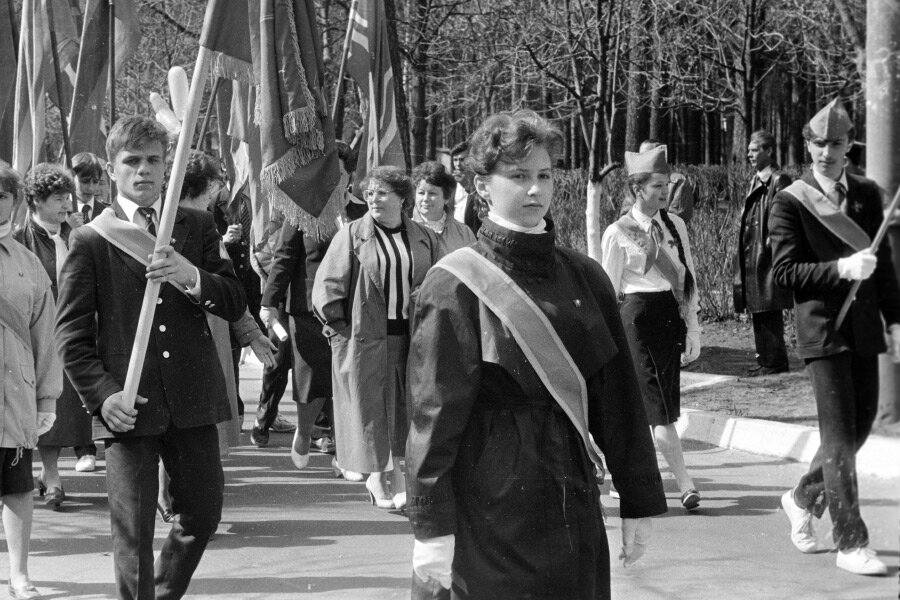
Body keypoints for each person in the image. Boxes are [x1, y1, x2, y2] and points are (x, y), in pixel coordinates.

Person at [406, 110, 666, 599]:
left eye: (544, 175)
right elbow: (432, 415)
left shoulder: (584, 276)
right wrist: (432, 530)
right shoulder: (453, 284)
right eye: (519, 176)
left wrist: (637, 500)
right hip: (488, 505)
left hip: (572, 501)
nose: (535, 190)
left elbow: (619, 400)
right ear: (483, 185)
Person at [55, 116, 246, 599]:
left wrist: (190, 274)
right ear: (112, 168)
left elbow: (233, 299)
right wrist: (101, 398)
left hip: (192, 399)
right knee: (133, 534)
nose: (144, 171)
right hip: (128, 402)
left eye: (154, 161)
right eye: (132, 161)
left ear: (168, 168)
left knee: (201, 516)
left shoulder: (197, 224)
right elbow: (71, 335)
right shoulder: (91, 238)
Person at [769, 99, 900, 576]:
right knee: (839, 439)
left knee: (858, 431)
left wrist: (896, 320)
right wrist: (840, 268)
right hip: (822, 330)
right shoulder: (790, 200)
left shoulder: (866, 194)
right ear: (807, 145)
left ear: (849, 146)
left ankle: (802, 496)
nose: (826, 152)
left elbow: (883, 264)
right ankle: (851, 542)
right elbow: (783, 273)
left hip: (864, 329)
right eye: (818, 143)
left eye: (836, 143)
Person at [153, 152, 275, 523]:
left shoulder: (205, 224)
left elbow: (228, 289)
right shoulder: (155, 221)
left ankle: (189, 499)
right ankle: (170, 498)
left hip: (213, 330)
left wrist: (250, 333)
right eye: (216, 185)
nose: (220, 191)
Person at [313, 166, 441, 511]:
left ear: (403, 198)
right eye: (369, 193)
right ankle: (375, 477)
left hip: (411, 339)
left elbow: (439, 282)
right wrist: (341, 329)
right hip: (366, 339)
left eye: (382, 193)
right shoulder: (353, 234)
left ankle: (399, 477)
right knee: (371, 411)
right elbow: (326, 289)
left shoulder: (423, 237)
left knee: (406, 410)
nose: (373, 199)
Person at [600, 144, 703, 511]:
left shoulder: (675, 225)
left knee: (660, 408)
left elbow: (687, 279)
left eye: (666, 184)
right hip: (635, 320)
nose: (664, 192)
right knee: (657, 407)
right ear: (636, 188)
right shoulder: (617, 232)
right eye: (656, 185)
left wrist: (693, 329)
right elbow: (609, 292)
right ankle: (686, 483)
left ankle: (625, 473)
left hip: (667, 318)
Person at [14, 164, 95, 511]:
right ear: (37, 201)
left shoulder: (77, 233)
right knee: (38, 406)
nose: (66, 203)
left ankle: (53, 474)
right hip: (33, 334)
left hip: (73, 332)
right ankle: (43, 475)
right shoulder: (21, 239)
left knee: (67, 408)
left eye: (67, 196)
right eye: (57, 197)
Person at [0, 162, 61, 600]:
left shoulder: (27, 263)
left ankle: (18, 575)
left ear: (14, 201)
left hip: (14, 394)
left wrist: (48, 399)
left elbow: (46, 334)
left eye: (1, 195)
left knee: (17, 488)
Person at [734, 130, 793, 376]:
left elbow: (782, 216)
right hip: (752, 252)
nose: (749, 154)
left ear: (769, 151)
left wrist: (771, 244)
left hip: (766, 253)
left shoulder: (778, 180)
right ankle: (765, 360)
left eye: (755, 150)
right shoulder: (756, 179)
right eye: (748, 150)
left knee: (768, 308)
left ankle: (775, 362)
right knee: (758, 307)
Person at [619, 139, 694, 223]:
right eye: (641, 155)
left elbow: (679, 217)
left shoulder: (678, 181)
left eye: (647, 155)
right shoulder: (636, 183)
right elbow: (625, 214)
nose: (642, 159)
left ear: (662, 156)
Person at [411, 160, 476, 253]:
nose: (425, 198)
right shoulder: (406, 230)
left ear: (446, 198)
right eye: (421, 193)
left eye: (432, 193)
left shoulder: (464, 233)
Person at [72, 152, 109, 223]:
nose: (90, 188)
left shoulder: (107, 213)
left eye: (95, 182)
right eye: (85, 181)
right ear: (71, 178)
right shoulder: (60, 211)